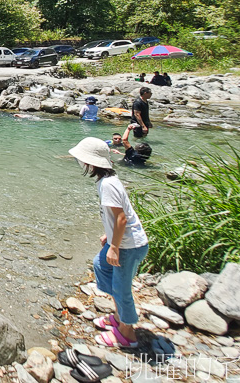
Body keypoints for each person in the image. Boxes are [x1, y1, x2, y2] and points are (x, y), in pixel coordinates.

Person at [68, 137, 149, 348]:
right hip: (122, 241)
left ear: (91, 163)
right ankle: (119, 315)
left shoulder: (107, 185)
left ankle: (127, 334)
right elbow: (117, 217)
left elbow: (122, 218)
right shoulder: (107, 180)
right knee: (101, 265)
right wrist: (109, 235)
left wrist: (114, 246)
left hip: (129, 246)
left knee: (122, 289)